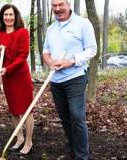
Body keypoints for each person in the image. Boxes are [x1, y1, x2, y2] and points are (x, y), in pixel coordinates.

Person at [43, 0, 97, 159]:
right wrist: (49, 61)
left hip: (75, 77)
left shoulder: (83, 24)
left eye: (61, 4)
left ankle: (82, 155)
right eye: (54, 6)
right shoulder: (50, 29)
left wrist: (71, 61)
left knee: (76, 115)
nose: (58, 9)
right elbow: (46, 51)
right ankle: (74, 146)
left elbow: (92, 50)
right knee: (65, 116)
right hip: (56, 81)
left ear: (69, 4)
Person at [0, 4, 34, 155]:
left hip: (20, 76)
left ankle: (29, 141)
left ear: (16, 16)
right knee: (14, 110)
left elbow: (23, 56)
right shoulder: (1, 33)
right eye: (6, 15)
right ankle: (19, 137)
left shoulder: (22, 32)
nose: (8, 18)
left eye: (11, 15)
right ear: (2, 17)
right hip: (7, 77)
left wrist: (8, 69)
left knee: (26, 110)